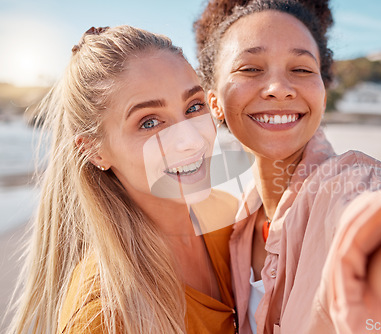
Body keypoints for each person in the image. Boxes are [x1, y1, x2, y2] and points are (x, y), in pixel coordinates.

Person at [194, 0, 381, 333]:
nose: (280, 89)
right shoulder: (236, 226)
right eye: (250, 68)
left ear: (322, 95)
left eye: (301, 69)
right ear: (215, 103)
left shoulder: (352, 184)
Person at [8, 25, 239, 334]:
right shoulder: (103, 314)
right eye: (150, 122)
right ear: (95, 151)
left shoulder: (230, 217)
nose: (190, 140)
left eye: (193, 106)